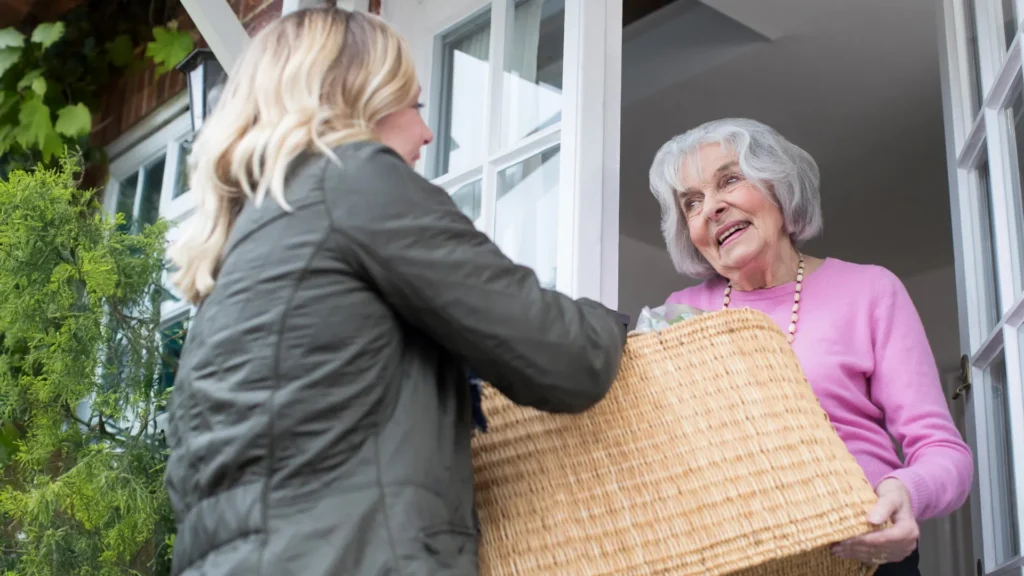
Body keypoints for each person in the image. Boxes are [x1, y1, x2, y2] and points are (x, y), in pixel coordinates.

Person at [163, 8, 626, 575]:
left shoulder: (241, 253)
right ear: (357, 100)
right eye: (414, 105)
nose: (427, 133)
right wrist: (618, 322)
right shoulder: (352, 179)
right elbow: (562, 356)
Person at [648, 118, 973, 575]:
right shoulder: (675, 315)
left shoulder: (870, 291)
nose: (712, 209)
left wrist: (905, 491)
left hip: (859, 554)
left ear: (779, 188)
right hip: (734, 559)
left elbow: (944, 452)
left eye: (730, 180)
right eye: (692, 203)